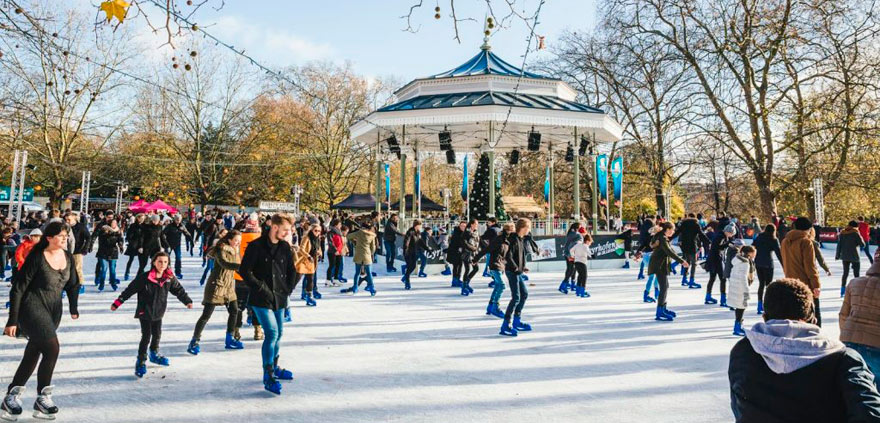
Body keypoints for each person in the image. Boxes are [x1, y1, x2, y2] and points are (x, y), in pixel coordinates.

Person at [728, 278, 880, 421]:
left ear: (765, 317)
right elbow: (870, 414)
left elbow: (740, 408)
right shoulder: (844, 360)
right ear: (812, 319)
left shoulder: (743, 352)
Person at [2, 222, 79, 421]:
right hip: (31, 308)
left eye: (66, 235)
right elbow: (18, 288)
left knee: (33, 353)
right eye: (61, 235)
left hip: (53, 310)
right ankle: (43, 397)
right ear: (49, 237)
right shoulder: (37, 257)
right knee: (52, 348)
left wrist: (73, 307)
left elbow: (73, 284)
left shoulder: (67, 257)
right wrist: (13, 320)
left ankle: (11, 397)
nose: (64, 238)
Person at [239, 214, 297, 395]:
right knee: (271, 333)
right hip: (261, 298)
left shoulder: (285, 247)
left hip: (279, 297)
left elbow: (291, 271)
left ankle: (275, 365)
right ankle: (268, 373)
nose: (288, 233)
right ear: (274, 227)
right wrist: (261, 288)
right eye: (285, 230)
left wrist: (288, 289)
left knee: (279, 333)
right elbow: (245, 271)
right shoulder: (256, 246)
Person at [111, 251, 192, 378]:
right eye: (160, 261)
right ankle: (141, 360)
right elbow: (130, 289)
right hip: (145, 311)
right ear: (154, 262)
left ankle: (154, 353)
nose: (162, 264)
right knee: (146, 336)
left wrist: (187, 301)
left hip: (159, 311)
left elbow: (178, 290)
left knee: (157, 334)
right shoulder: (145, 277)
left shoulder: (169, 278)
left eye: (165, 262)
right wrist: (118, 302)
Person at [188, 230, 243, 355]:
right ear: (229, 239)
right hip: (216, 285)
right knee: (206, 315)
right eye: (236, 241)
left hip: (228, 286)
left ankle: (230, 338)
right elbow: (225, 264)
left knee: (234, 310)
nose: (237, 243)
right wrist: (240, 267)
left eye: (239, 242)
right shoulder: (221, 249)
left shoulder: (235, 251)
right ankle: (194, 341)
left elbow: (236, 267)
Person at [840, 249, 880, 388]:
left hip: (850, 343)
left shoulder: (854, 282)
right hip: (876, 345)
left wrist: (846, 338)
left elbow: (843, 315)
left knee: (854, 390)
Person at [781, 217, 823, 326]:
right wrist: (816, 285)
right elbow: (810, 266)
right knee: (813, 315)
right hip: (805, 284)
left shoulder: (785, 241)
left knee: (796, 316)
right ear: (808, 229)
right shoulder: (805, 242)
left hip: (790, 282)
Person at [648, 221, 689, 322]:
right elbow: (669, 252)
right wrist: (682, 261)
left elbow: (670, 250)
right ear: (668, 229)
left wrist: (680, 259)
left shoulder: (663, 237)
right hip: (659, 265)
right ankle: (659, 312)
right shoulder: (662, 238)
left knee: (665, 286)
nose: (673, 231)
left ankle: (663, 309)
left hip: (660, 265)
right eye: (672, 229)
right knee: (663, 287)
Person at [500, 218, 533, 337]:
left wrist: (522, 267)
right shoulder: (513, 239)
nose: (530, 230)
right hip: (511, 271)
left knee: (524, 294)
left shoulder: (520, 239)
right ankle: (505, 325)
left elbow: (519, 256)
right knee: (516, 298)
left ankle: (516, 321)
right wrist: (515, 268)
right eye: (529, 227)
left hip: (517, 271)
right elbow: (508, 256)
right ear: (524, 228)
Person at [474, 222, 512, 318]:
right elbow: (487, 249)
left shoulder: (507, 241)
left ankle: (490, 306)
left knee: (498, 286)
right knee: (502, 285)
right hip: (494, 265)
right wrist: (476, 259)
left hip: (501, 265)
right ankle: (495, 306)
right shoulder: (499, 240)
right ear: (509, 230)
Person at [752, 224, 783, 315]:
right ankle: (767, 305)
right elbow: (779, 254)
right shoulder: (774, 239)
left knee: (761, 284)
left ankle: (759, 304)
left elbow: (753, 246)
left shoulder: (759, 237)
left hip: (758, 263)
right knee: (768, 285)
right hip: (768, 264)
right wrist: (784, 266)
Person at [673, 213, 708, 289]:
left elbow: (677, 233)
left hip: (684, 246)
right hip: (692, 245)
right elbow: (701, 234)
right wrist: (708, 242)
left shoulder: (683, 224)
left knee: (687, 262)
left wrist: (669, 239)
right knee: (694, 264)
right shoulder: (696, 224)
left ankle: (684, 279)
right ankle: (691, 280)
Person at [341, 222, 377, 295]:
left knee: (357, 272)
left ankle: (355, 287)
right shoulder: (372, 235)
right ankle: (371, 288)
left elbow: (348, 236)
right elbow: (373, 248)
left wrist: (354, 242)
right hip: (367, 255)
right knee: (369, 273)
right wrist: (370, 253)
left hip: (358, 254)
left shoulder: (359, 233)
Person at [728, 245, 757, 336]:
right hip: (741, 288)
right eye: (753, 252)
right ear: (749, 253)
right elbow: (743, 278)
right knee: (741, 307)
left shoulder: (738, 260)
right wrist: (746, 290)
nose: (754, 254)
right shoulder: (745, 263)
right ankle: (737, 327)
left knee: (739, 307)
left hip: (735, 286)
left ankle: (739, 325)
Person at [705, 224, 735, 306]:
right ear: (728, 232)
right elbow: (717, 247)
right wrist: (727, 244)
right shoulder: (721, 237)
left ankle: (708, 296)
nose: (732, 236)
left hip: (713, 259)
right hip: (716, 260)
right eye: (731, 234)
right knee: (723, 279)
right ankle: (723, 299)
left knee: (712, 278)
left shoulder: (720, 235)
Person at [294, 224, 322, 307]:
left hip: (311, 262)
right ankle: (286, 294)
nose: (317, 232)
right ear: (311, 230)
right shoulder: (306, 237)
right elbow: (301, 249)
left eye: (319, 231)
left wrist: (320, 253)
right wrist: (308, 256)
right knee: (296, 279)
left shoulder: (317, 239)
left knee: (310, 280)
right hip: (304, 261)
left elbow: (319, 248)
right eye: (315, 230)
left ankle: (309, 297)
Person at [837, 220, 866, 298]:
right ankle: (858, 290)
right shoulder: (855, 233)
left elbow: (839, 245)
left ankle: (842, 290)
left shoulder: (842, 233)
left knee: (845, 273)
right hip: (854, 256)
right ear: (855, 227)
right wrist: (859, 235)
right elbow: (862, 244)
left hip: (845, 256)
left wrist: (837, 255)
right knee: (856, 274)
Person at [95, 218, 124, 292]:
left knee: (112, 269)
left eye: (115, 223)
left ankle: (113, 283)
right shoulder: (104, 229)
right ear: (110, 224)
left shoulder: (118, 231)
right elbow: (101, 239)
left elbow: (120, 239)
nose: (114, 224)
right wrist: (106, 233)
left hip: (113, 252)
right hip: (103, 252)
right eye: (113, 223)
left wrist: (121, 246)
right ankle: (101, 284)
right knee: (104, 269)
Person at [401, 220, 431, 290]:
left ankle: (405, 278)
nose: (420, 227)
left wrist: (428, 249)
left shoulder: (418, 233)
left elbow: (421, 242)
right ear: (416, 225)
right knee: (409, 267)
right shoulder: (410, 232)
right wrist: (405, 251)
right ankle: (407, 283)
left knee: (413, 266)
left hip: (414, 252)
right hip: (408, 253)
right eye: (420, 225)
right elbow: (406, 242)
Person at [163, 214, 191, 279]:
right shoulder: (169, 226)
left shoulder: (181, 226)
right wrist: (164, 244)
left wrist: (191, 240)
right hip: (168, 245)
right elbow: (163, 234)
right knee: (166, 259)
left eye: (179, 219)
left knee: (178, 258)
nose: (178, 221)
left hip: (177, 245)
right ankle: (166, 272)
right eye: (176, 219)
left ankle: (178, 272)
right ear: (174, 220)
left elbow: (187, 233)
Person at [560, 222, 583, 294]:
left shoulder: (570, 233)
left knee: (571, 268)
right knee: (571, 269)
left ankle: (571, 283)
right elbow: (574, 244)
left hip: (567, 253)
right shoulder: (577, 235)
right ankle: (564, 284)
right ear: (577, 228)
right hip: (571, 254)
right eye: (580, 227)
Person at [458, 220, 480, 296]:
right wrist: (472, 248)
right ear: (471, 224)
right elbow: (463, 243)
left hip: (474, 254)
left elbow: (478, 242)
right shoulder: (466, 232)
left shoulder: (476, 232)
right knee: (467, 269)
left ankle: (466, 282)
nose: (477, 225)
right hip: (467, 253)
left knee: (476, 268)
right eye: (476, 224)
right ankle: (464, 286)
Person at [569, 233, 594, 298]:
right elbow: (589, 253)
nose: (590, 244)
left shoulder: (578, 245)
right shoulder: (585, 246)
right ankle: (582, 291)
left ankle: (578, 291)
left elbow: (571, 250)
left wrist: (573, 256)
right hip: (582, 263)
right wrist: (592, 256)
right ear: (587, 241)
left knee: (580, 275)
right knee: (584, 276)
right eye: (590, 242)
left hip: (576, 262)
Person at [123, 213, 145, 280]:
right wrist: (131, 242)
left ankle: (141, 273)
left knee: (141, 260)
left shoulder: (145, 226)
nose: (142, 220)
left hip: (142, 245)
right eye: (141, 218)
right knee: (131, 259)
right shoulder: (133, 226)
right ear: (137, 218)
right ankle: (127, 272)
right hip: (134, 245)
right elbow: (129, 235)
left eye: (143, 219)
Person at [446, 221, 467, 288]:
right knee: (456, 266)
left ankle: (457, 279)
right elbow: (455, 243)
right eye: (462, 226)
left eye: (464, 226)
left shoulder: (464, 233)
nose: (463, 227)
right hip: (454, 252)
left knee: (460, 266)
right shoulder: (456, 233)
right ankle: (455, 280)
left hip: (460, 253)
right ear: (459, 226)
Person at [325, 219, 345, 287]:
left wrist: (341, 250)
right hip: (332, 252)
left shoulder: (339, 232)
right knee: (332, 265)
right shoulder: (331, 232)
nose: (340, 226)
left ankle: (335, 279)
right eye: (339, 224)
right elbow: (330, 242)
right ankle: (328, 280)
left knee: (338, 265)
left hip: (339, 251)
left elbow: (341, 242)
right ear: (336, 225)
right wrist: (335, 250)